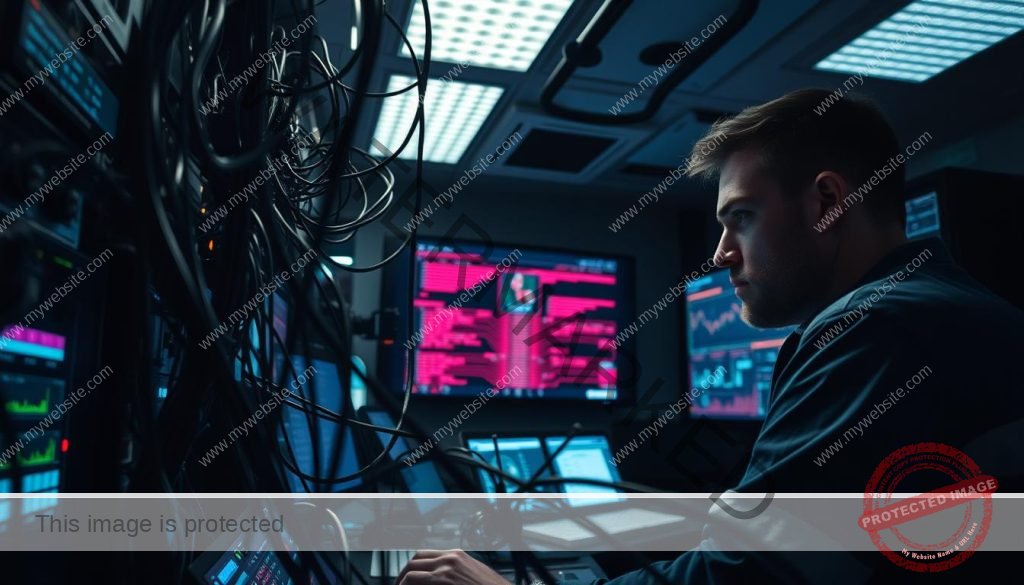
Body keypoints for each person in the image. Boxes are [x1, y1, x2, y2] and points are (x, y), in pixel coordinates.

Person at [395, 89, 1024, 584]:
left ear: (828, 201)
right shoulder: (938, 306)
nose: (721, 253)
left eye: (740, 219)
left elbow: (753, 571)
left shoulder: (878, 327)